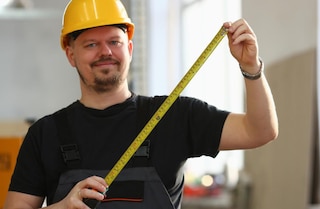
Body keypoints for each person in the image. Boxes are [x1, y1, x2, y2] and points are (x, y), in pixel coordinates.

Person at [3, 0, 278, 208]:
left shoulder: (175, 116)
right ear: (70, 55)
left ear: (130, 49)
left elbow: (260, 131)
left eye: (114, 41)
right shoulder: (45, 134)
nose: (105, 52)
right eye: (90, 45)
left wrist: (251, 68)